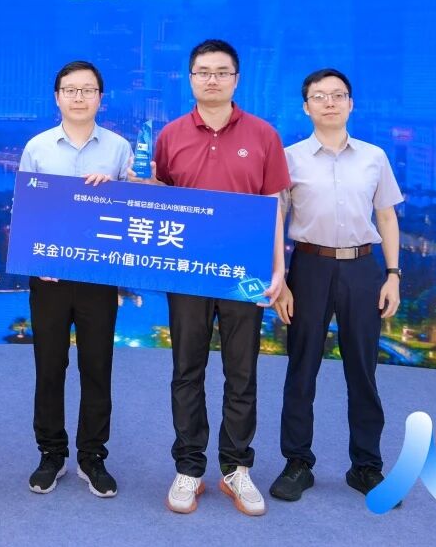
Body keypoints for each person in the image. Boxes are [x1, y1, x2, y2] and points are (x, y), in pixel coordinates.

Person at [154, 39, 290, 516]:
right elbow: (159, 203)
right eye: (203, 71)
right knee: (186, 370)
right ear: (190, 78)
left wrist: (279, 268)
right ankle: (189, 468)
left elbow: (274, 206)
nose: (212, 79)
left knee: (242, 371)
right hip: (187, 272)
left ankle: (236, 468)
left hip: (243, 274)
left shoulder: (264, 135)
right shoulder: (170, 135)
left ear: (236, 79)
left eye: (221, 72)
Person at [268, 68, 403, 503]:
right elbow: (274, 222)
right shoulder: (288, 158)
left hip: (363, 269)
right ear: (306, 107)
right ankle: (297, 463)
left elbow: (386, 216)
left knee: (363, 370)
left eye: (338, 95)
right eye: (320, 96)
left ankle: (366, 466)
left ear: (351, 104)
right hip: (309, 267)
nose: (330, 102)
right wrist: (280, 281)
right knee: (301, 367)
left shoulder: (374, 157)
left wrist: (393, 275)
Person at [18, 61, 132, 499]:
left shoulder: (119, 149)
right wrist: (35, 257)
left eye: (88, 90)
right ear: (57, 97)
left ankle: (92, 455)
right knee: (49, 366)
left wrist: (116, 189)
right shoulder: (38, 147)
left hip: (98, 278)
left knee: (96, 367)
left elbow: (136, 211)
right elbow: (26, 211)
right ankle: (51, 453)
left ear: (101, 97)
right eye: (71, 89)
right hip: (49, 277)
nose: (79, 97)